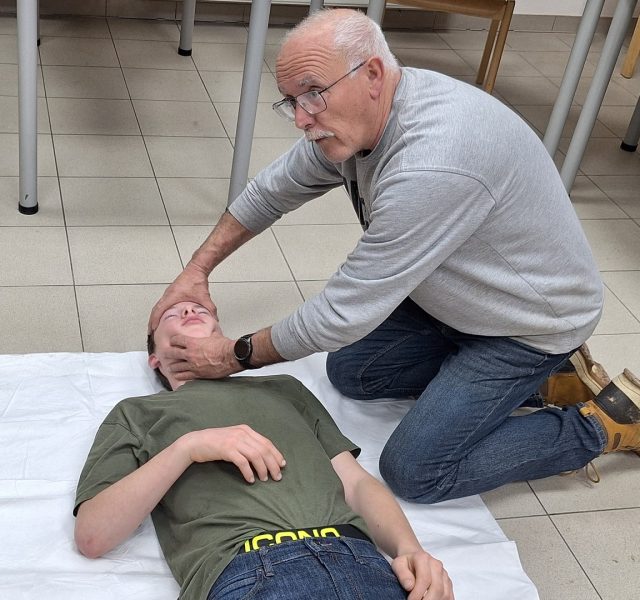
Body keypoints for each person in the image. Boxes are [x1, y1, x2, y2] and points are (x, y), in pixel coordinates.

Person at [147, 8, 640, 505]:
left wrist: (231, 355)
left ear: (373, 75)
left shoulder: (432, 163)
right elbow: (270, 192)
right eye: (291, 101)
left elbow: (339, 315)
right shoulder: (360, 116)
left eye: (313, 94)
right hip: (457, 298)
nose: (301, 118)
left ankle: (606, 422)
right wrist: (196, 271)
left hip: (527, 324)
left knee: (415, 472)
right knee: (351, 372)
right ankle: (549, 381)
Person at [73, 301, 454, 600]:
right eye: (171, 314)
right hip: (246, 572)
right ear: (155, 358)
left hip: (363, 563)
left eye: (199, 308)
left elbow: (354, 483)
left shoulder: (284, 388)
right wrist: (188, 447)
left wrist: (409, 549)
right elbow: (93, 535)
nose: (188, 310)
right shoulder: (137, 413)